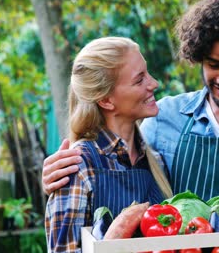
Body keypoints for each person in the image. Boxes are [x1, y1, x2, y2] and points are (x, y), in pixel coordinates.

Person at [42, 0, 219, 252]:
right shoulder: (163, 118)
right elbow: (112, 158)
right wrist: (62, 178)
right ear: (199, 58)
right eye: (214, 65)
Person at [45, 37, 173, 252]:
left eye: (147, 73)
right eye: (139, 80)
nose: (154, 83)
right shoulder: (79, 167)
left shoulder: (156, 162)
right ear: (106, 100)